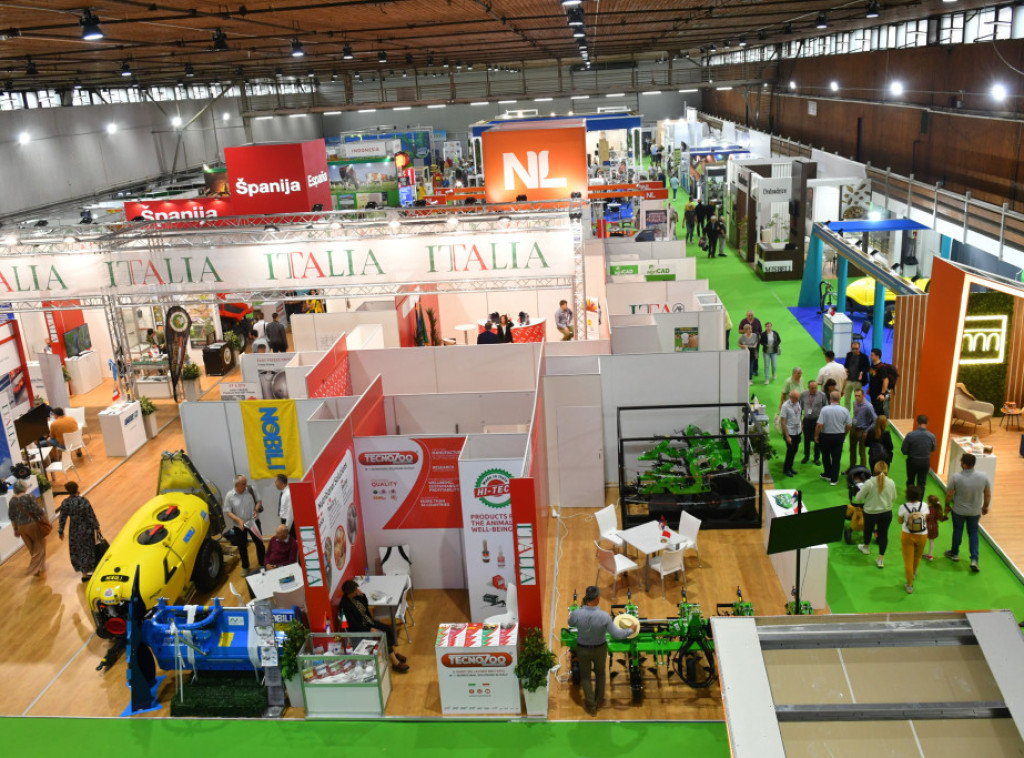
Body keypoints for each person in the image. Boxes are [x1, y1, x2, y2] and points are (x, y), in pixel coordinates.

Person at [568, 585, 637, 715]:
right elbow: (617, 635)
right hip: (599, 649)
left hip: (583, 649)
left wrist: (580, 608)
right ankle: (599, 701)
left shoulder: (577, 613)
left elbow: (570, 623)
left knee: (586, 677)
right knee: (600, 674)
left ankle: (591, 706)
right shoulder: (604, 616)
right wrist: (630, 630)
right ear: (597, 599)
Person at [339, 579, 409, 672]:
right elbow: (353, 625)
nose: (357, 590)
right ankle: (395, 663)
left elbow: (365, 607)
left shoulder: (357, 597)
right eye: (355, 590)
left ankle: (394, 653)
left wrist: (362, 595)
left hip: (368, 622)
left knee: (387, 629)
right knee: (383, 634)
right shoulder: (345, 605)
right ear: (351, 592)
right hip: (361, 628)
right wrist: (369, 629)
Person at [944, 453, 991, 572]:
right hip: (975, 512)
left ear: (964, 464)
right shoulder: (983, 476)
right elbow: (987, 494)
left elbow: (949, 494)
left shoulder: (956, 477)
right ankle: (974, 559)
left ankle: (954, 553)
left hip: (958, 511)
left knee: (957, 531)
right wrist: (985, 506)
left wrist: (947, 506)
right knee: (973, 534)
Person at [853, 460, 897, 568]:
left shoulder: (869, 483)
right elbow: (894, 497)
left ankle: (866, 547)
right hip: (886, 513)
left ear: (874, 470)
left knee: (868, 530)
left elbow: (858, 498)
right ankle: (880, 559)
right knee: (883, 534)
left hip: (870, 513)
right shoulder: (891, 482)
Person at [57, 481, 101, 581]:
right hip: (86, 528)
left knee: (78, 550)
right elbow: (90, 515)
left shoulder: (65, 502)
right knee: (88, 549)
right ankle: (87, 571)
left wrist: (61, 531)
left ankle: (83, 573)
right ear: (77, 488)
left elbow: (62, 518)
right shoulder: (83, 501)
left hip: (74, 530)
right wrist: (97, 527)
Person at [223, 475, 265, 573]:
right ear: (236, 485)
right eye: (243, 483)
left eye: (246, 483)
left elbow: (259, 502)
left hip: (254, 522)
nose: (246, 485)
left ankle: (263, 563)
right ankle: (245, 567)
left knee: (259, 543)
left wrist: (256, 510)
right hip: (239, 525)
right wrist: (238, 520)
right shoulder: (229, 495)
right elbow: (228, 511)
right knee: (242, 546)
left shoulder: (251, 489)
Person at [9, 478, 48, 577]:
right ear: (24, 487)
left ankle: (39, 566)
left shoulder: (12, 501)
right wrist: (46, 521)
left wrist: (15, 529)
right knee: (40, 545)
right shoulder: (29, 497)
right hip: (32, 524)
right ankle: (34, 569)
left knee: (31, 547)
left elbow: (12, 517)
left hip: (21, 527)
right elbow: (39, 511)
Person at [897, 485, 929, 594]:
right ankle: (914, 572)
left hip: (907, 535)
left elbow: (900, 521)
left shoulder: (903, 507)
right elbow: (926, 518)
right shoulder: (924, 505)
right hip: (922, 535)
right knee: (918, 556)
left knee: (908, 561)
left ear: (907, 495)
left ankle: (909, 585)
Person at [815, 391, 851, 485]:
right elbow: (849, 425)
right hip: (839, 436)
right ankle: (834, 479)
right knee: (836, 458)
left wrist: (816, 436)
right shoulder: (845, 410)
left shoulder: (824, 409)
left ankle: (827, 474)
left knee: (825, 456)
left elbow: (819, 425)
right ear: (839, 399)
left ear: (830, 398)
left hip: (826, 436)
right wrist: (844, 434)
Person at [901, 414, 937, 490]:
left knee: (910, 481)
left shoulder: (910, 435)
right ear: (927, 423)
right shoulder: (932, 436)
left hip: (912, 461)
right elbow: (933, 449)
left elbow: (904, 450)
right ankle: (920, 497)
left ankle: (910, 496)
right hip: (925, 462)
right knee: (922, 483)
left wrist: (911, 452)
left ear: (917, 422)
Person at [848, 388, 877, 471]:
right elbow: (855, 415)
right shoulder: (854, 403)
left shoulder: (868, 406)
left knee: (862, 451)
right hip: (853, 429)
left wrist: (867, 431)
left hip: (862, 431)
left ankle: (862, 470)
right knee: (852, 450)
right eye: (855, 396)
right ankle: (851, 468)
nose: (857, 398)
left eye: (859, 396)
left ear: (863, 395)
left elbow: (875, 420)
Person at [799, 380, 826, 465]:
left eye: (816, 388)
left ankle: (816, 458)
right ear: (808, 387)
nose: (814, 390)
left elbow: (825, 408)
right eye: (812, 388)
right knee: (806, 439)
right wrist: (800, 421)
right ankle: (806, 456)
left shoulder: (822, 395)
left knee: (817, 439)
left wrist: (823, 421)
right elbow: (799, 408)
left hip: (817, 421)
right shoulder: (803, 394)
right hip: (806, 420)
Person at [779, 389, 803, 477]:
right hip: (790, 432)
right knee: (790, 451)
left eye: (798, 398)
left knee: (795, 450)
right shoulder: (785, 406)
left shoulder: (798, 402)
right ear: (790, 397)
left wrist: (801, 425)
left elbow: (799, 414)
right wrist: (787, 436)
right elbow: (783, 422)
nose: (797, 400)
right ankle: (786, 469)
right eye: (795, 398)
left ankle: (790, 467)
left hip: (798, 431)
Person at [867, 348, 897, 416]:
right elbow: (872, 378)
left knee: (880, 412)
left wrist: (882, 394)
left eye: (872, 355)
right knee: (874, 411)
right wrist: (869, 388)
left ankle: (882, 422)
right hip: (873, 393)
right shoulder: (872, 366)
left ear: (877, 356)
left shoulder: (882, 368)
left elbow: (886, 381)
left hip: (879, 394)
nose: (870, 356)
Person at [843, 341, 870, 412]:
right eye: (853, 349)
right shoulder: (849, 355)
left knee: (859, 400)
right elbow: (846, 365)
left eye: (856, 349)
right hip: (848, 380)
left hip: (858, 381)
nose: (854, 350)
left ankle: (858, 414)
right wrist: (845, 369)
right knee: (846, 399)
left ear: (859, 348)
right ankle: (847, 415)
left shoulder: (864, 357)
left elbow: (867, 368)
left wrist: (862, 372)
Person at [923, 493, 947, 561]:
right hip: (934, 527)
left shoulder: (927, 509)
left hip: (926, 527)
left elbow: (925, 518)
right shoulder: (938, 509)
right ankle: (930, 555)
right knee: (931, 541)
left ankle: (918, 552)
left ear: (930, 503)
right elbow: (941, 519)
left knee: (922, 540)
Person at [738, 311, 762, 377]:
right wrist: (747, 331)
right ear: (747, 315)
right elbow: (739, 330)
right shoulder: (743, 321)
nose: (751, 316)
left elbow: (760, 331)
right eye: (749, 315)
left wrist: (761, 340)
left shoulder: (757, 321)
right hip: (746, 342)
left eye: (752, 315)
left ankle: (755, 370)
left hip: (755, 342)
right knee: (746, 358)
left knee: (756, 356)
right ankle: (747, 370)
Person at [275, 473, 294, 538]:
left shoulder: (288, 494)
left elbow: (290, 512)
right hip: (284, 520)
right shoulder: (283, 493)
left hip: (288, 522)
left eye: (276, 482)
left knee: (290, 539)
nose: (275, 484)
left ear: (281, 483)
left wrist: (287, 527)